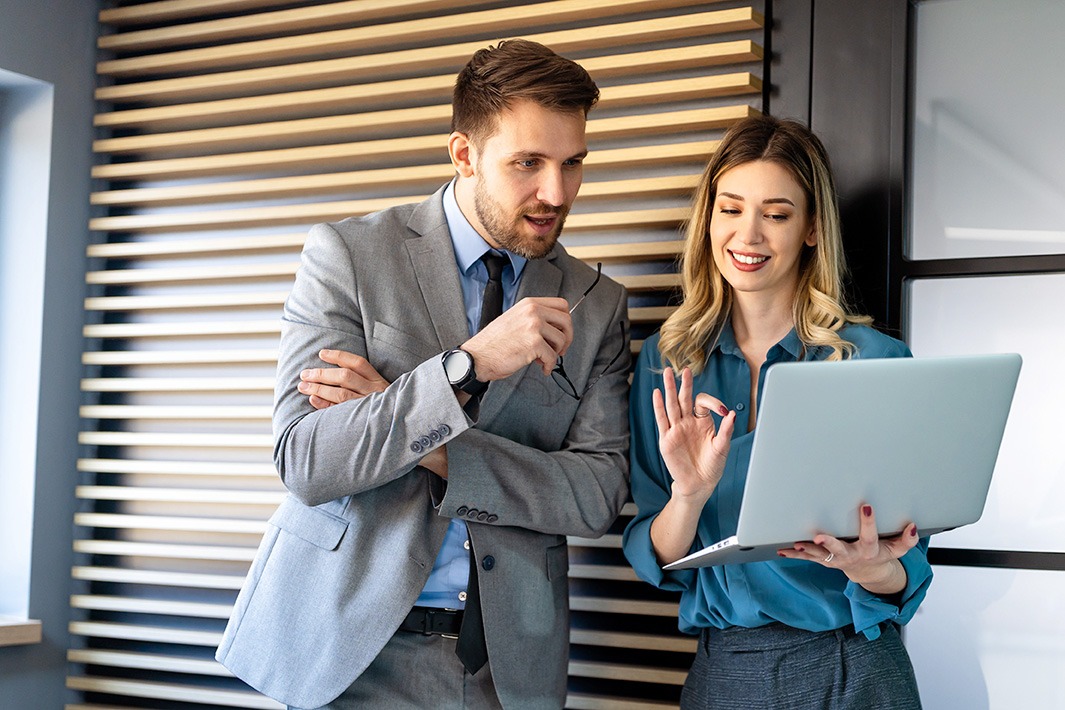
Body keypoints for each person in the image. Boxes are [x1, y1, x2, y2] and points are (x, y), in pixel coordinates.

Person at [216, 39, 631, 710]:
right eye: (527, 163)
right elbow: (307, 461)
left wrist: (427, 442)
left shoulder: (596, 301)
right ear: (463, 154)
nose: (555, 193)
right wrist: (467, 366)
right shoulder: (349, 255)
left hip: (504, 669)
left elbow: (593, 496)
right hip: (349, 657)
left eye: (572, 163)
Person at [621, 115, 931, 709]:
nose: (749, 235)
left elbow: (909, 570)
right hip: (725, 669)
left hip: (855, 664)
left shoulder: (876, 362)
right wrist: (688, 494)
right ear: (709, 218)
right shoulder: (668, 361)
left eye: (777, 214)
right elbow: (658, 557)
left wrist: (870, 568)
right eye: (731, 209)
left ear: (812, 228)